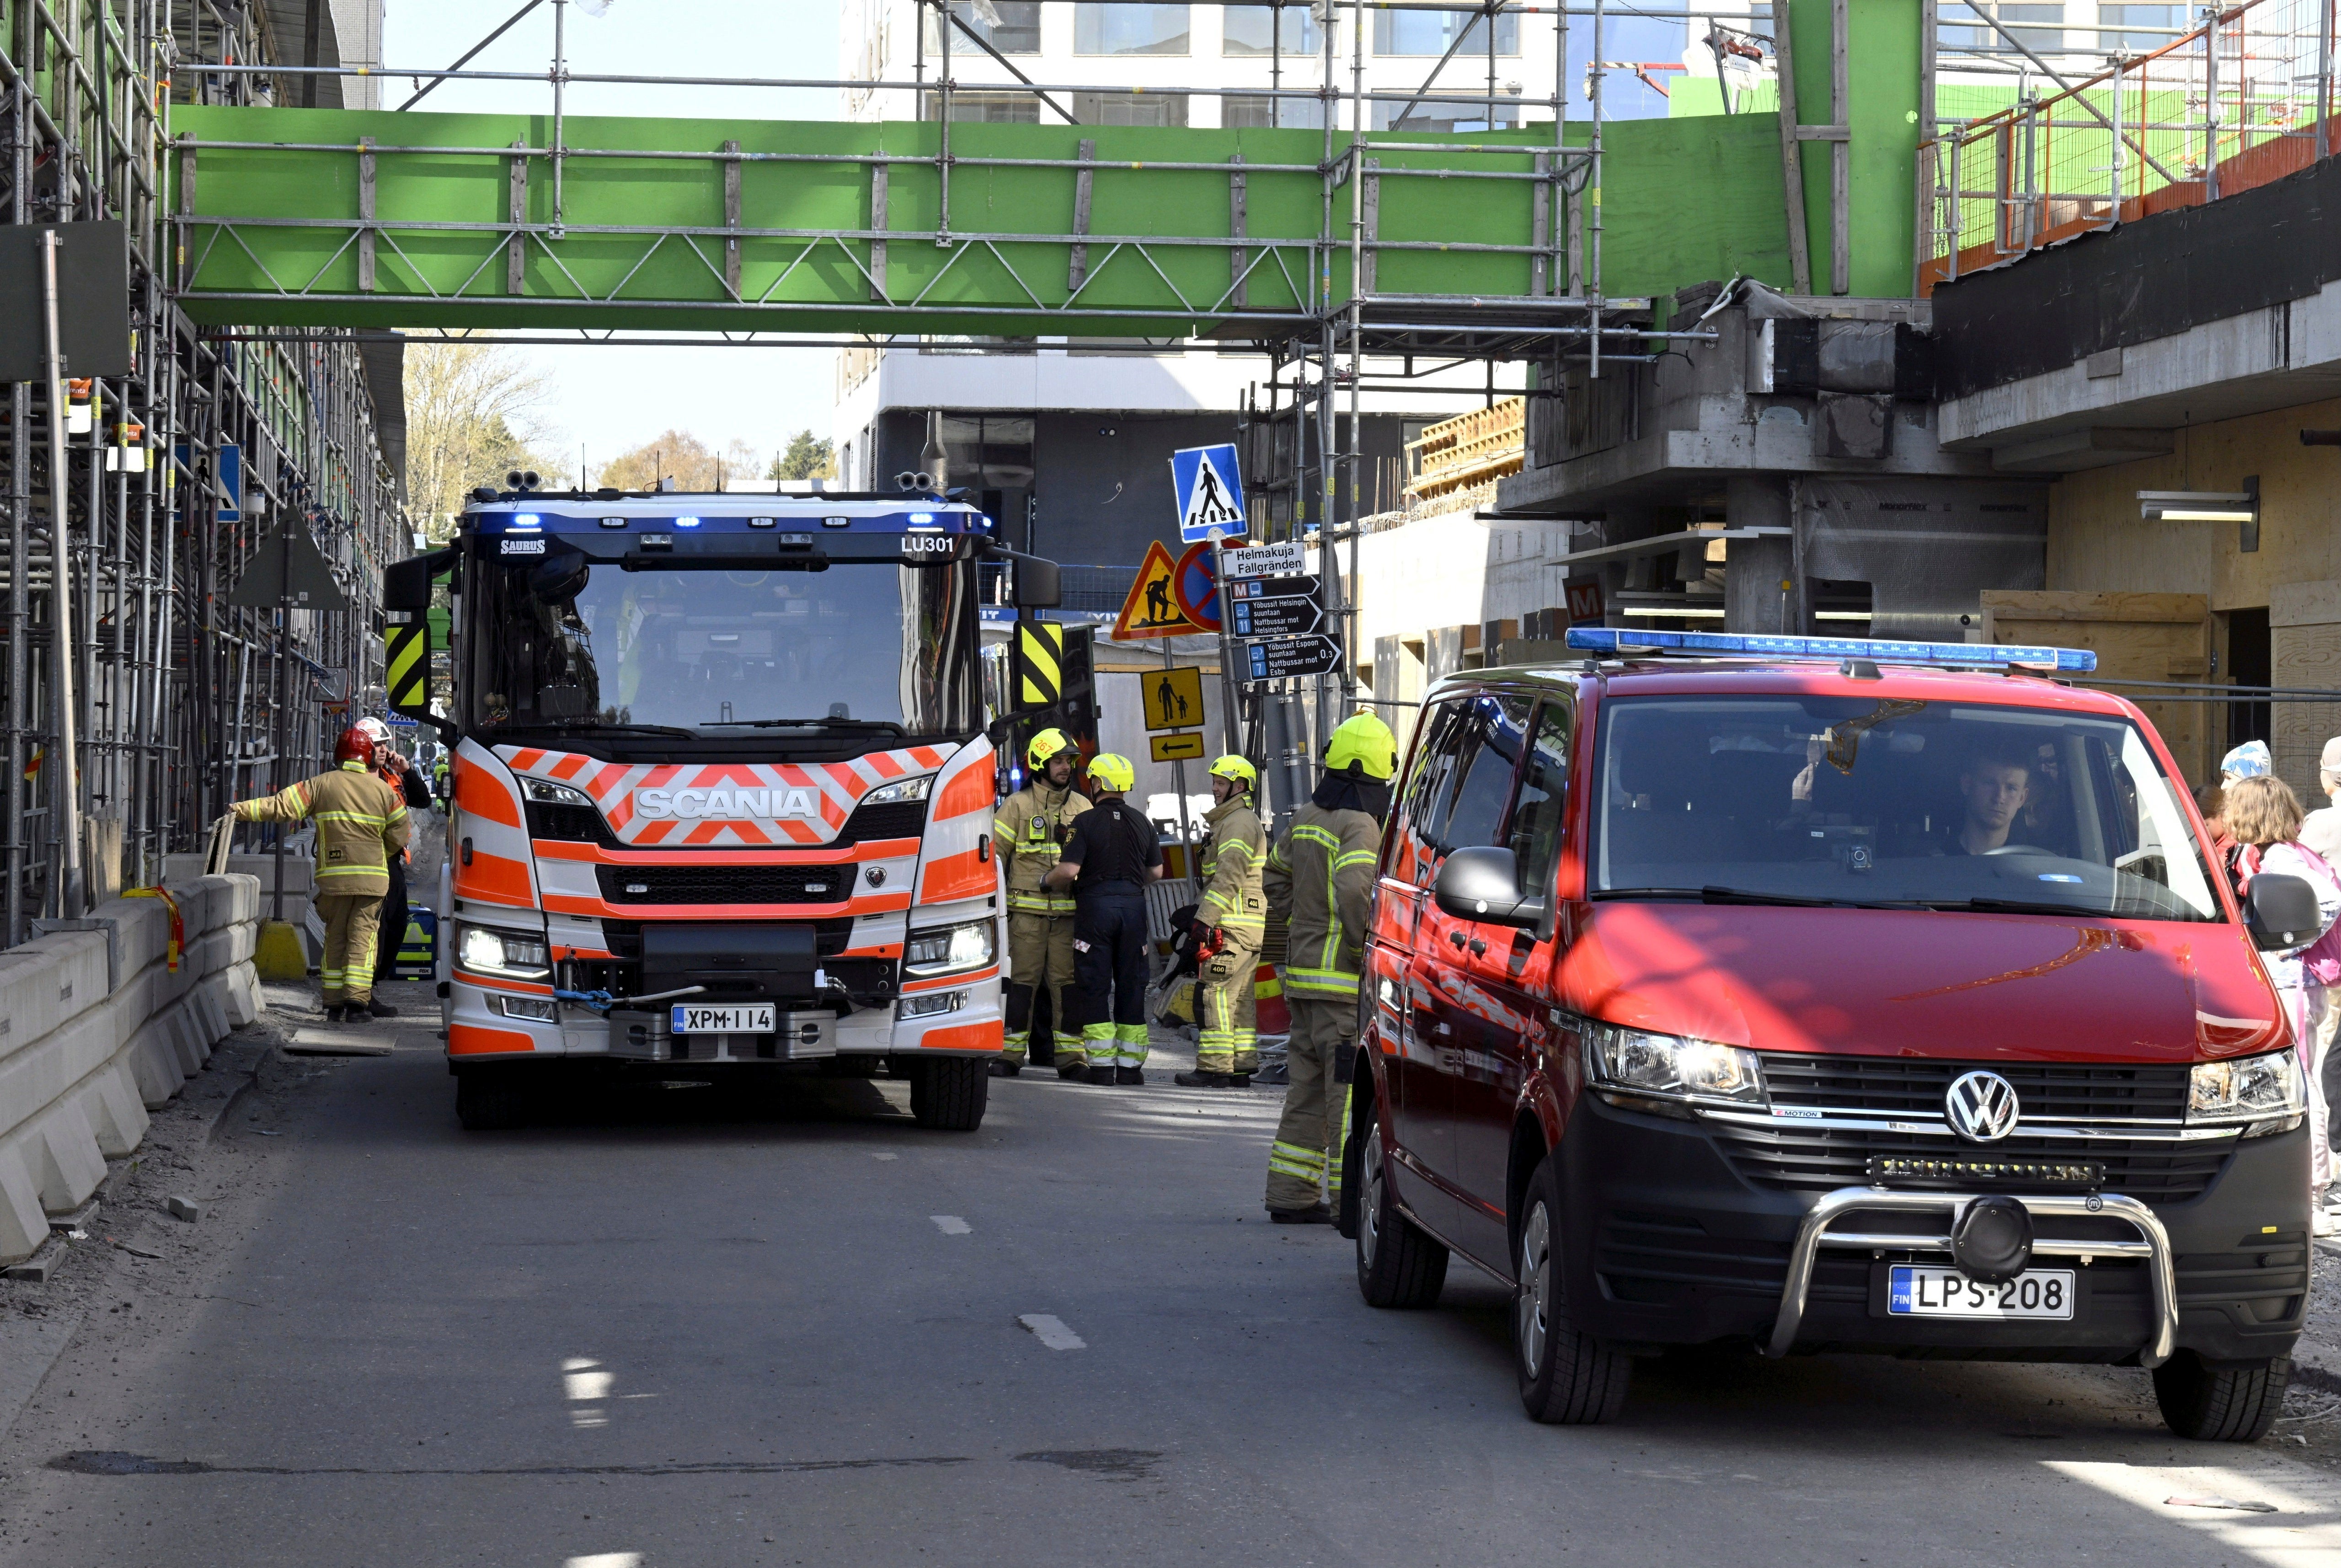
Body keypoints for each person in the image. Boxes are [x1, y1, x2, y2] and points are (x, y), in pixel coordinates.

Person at [1261, 712, 1394, 1224]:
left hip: (1303, 984)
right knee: (1345, 1101)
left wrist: (1303, 918)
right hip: (1342, 988)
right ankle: (1346, 1205)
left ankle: (1289, 1195)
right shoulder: (1360, 824)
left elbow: (1275, 881)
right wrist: (1366, 951)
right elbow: (1356, 892)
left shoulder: (1307, 819)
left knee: (1305, 1092)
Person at [2221, 774, 2341, 1235]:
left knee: (2300, 1081)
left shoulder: (2282, 858)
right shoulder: (2278, 855)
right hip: (2295, 981)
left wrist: (2289, 945)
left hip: (2294, 981)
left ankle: (2310, 1193)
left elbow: (2328, 898)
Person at [233, 725, 412, 1024]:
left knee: (335, 939)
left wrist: (239, 810)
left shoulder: (320, 784)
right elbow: (400, 832)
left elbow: (280, 807)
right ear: (366, 757)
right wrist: (380, 849)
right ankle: (357, 1004)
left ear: (339, 756)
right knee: (363, 940)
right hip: (372, 881)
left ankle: (333, 1005)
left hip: (334, 879)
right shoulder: (383, 790)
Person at [1043, 753, 1162, 1086]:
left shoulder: (1083, 822)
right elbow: (1156, 872)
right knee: (1131, 986)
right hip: (1134, 911)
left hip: (1095, 911)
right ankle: (1129, 1070)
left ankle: (1100, 1068)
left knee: (1094, 986)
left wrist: (1044, 882)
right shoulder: (1143, 822)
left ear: (1097, 784)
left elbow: (1068, 871)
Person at [993, 728, 1092, 1076]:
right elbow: (995, 861)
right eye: (1059, 761)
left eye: (1069, 761)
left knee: (1068, 989)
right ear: (1039, 764)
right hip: (1025, 920)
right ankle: (1008, 1055)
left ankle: (1072, 1059)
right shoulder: (1016, 806)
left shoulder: (1083, 807)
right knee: (1021, 986)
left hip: (1068, 920)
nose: (1066, 768)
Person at [1176, 755, 1268, 1090]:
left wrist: (1204, 921)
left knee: (1215, 994)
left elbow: (1229, 876)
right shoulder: (1237, 821)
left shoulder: (1238, 822)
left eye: (1220, 783)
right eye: (1214, 782)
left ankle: (1215, 1068)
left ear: (1239, 786)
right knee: (1239, 999)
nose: (1214, 789)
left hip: (1231, 925)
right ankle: (1241, 1066)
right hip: (1245, 925)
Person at [1944, 743, 2034, 854]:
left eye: (2011, 788)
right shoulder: (1934, 863)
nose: (1999, 798)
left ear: (2022, 798)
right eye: (1989, 783)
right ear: (1967, 785)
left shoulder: (2034, 865)